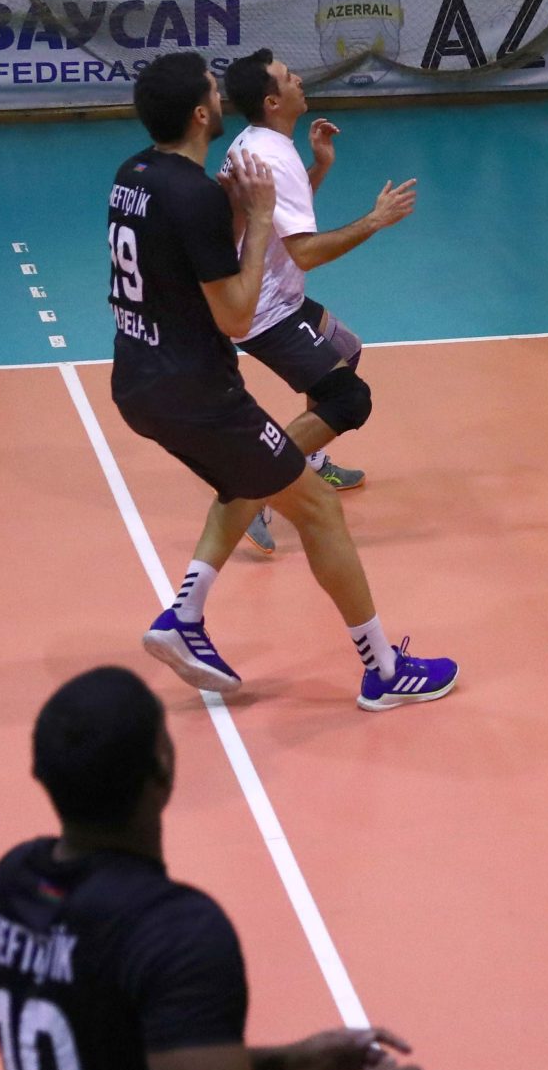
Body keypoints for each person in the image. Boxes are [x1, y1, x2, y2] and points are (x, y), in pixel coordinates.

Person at [0, 666, 443, 1070]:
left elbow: (103, 1063)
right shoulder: (175, 931)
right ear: (164, 767)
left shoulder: (13, 888)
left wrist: (282, 1064)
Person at [110, 50, 456, 709]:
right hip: (197, 391)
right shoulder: (194, 193)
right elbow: (237, 313)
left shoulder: (134, 175)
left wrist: (244, 206)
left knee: (267, 464)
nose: (221, 96)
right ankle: (383, 671)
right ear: (200, 113)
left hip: (137, 379)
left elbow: (191, 252)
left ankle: (186, 614)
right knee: (319, 505)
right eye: (213, 91)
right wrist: (262, 215)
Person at [217, 51, 416, 556]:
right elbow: (304, 251)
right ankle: (253, 483)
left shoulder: (258, 143)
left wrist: (320, 166)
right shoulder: (273, 155)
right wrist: (374, 221)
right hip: (265, 312)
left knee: (345, 349)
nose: (299, 79)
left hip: (269, 294)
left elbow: (283, 212)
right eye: (288, 77)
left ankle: (306, 463)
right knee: (350, 400)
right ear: (272, 101)